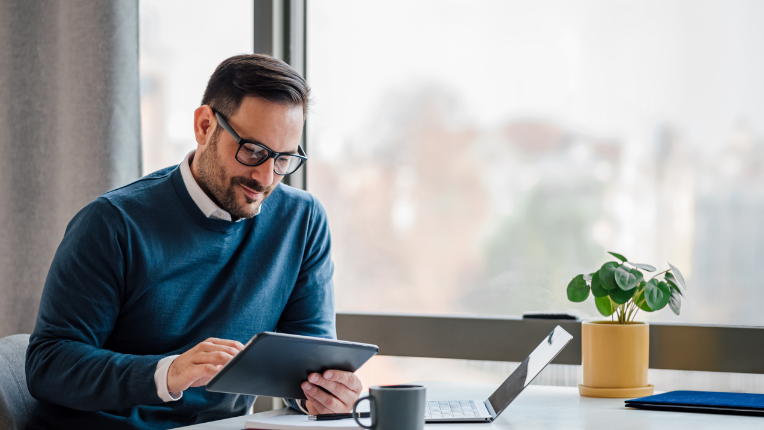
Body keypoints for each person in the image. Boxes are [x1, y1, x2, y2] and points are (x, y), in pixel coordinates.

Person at [25, 54, 361, 430]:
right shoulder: (112, 223)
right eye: (253, 151)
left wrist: (324, 393)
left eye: (283, 160)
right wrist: (168, 372)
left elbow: (309, 364)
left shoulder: (302, 221)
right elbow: (48, 365)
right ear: (204, 126)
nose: (266, 177)